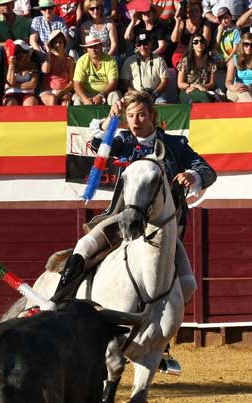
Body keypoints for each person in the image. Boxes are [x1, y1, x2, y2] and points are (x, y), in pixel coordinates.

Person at [55, 90, 216, 316]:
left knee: (188, 285)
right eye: (130, 116)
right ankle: (59, 303)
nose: (135, 121)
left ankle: (162, 335)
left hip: (161, 229)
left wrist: (191, 175)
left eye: (141, 115)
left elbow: (207, 171)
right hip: (123, 218)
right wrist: (111, 120)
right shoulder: (123, 141)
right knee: (84, 246)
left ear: (153, 116)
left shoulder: (174, 145)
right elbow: (97, 144)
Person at [120, 30, 169, 103]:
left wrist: (154, 94)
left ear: (150, 44)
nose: (142, 47)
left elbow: (165, 80)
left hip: (155, 94)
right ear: (136, 46)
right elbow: (125, 83)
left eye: (145, 43)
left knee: (163, 103)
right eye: (139, 44)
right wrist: (135, 94)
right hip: (135, 94)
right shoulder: (129, 61)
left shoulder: (159, 60)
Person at [72, 34, 120, 104]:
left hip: (106, 93)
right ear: (87, 49)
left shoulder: (111, 60)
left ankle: (114, 115)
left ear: (101, 46)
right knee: (77, 100)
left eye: (96, 47)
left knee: (115, 96)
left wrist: (101, 95)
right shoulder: (81, 61)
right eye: (90, 47)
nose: (93, 50)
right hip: (87, 93)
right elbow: (77, 84)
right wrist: (85, 99)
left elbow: (113, 83)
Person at [225, 31, 252, 101]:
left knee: (245, 97)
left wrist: (247, 87)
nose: (249, 47)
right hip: (237, 88)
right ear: (242, 45)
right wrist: (232, 87)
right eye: (246, 44)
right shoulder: (234, 59)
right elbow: (228, 81)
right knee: (241, 96)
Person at [170, 0, 211, 68]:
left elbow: (205, 44)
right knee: (181, 63)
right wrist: (177, 22)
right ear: (187, 13)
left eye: (196, 11)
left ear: (201, 13)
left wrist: (190, 52)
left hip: (198, 53)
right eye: (191, 11)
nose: (194, 14)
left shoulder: (205, 25)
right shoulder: (183, 23)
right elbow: (174, 39)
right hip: (181, 53)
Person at [177, 32, 217, 103]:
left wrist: (201, 87)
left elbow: (212, 83)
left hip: (204, 89)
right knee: (204, 96)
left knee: (206, 96)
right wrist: (195, 86)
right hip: (187, 91)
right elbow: (180, 83)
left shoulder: (210, 61)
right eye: (196, 42)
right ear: (192, 45)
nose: (199, 44)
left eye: (202, 41)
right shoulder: (185, 61)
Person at [40, 29, 74, 105]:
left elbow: (71, 82)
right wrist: (48, 52)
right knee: (52, 98)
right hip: (48, 91)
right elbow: (45, 70)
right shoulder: (47, 57)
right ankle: (52, 117)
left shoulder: (69, 60)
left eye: (60, 42)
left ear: (64, 43)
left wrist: (61, 92)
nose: (58, 45)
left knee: (65, 103)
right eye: (55, 42)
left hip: (63, 90)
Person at [2, 38, 39, 104]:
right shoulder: (8, 66)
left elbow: (33, 84)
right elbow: (10, 82)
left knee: (31, 102)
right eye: (17, 52)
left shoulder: (32, 65)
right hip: (11, 94)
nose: (21, 55)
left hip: (28, 94)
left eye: (23, 52)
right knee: (10, 103)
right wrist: (11, 65)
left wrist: (14, 85)